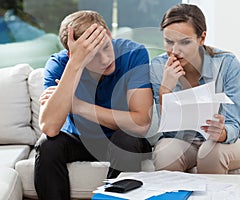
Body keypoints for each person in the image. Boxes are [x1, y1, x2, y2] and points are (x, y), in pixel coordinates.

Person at [34, 10, 153, 200]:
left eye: (106, 47)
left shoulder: (133, 54)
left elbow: (140, 123)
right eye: (93, 55)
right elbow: (49, 127)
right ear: (72, 54)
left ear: (110, 35)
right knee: (48, 145)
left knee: (127, 139)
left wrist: (78, 105)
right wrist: (75, 64)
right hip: (78, 140)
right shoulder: (59, 64)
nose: (106, 59)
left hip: (120, 138)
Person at [150, 4, 240, 174]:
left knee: (210, 151)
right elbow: (167, 130)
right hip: (184, 142)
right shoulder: (158, 66)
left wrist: (220, 133)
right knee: (165, 152)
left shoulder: (226, 64)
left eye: (185, 42)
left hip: (227, 142)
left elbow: (234, 124)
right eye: (169, 42)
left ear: (202, 38)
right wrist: (165, 90)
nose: (174, 51)